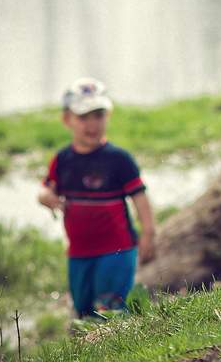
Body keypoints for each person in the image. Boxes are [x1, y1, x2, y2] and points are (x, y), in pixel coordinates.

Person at [38, 77, 157, 318]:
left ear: (108, 116)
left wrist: (148, 234)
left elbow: (140, 199)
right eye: (83, 117)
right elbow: (45, 190)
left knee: (109, 310)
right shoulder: (62, 160)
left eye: (98, 115)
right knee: (83, 310)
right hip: (79, 252)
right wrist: (46, 198)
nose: (92, 124)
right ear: (67, 120)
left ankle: (118, 349)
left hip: (117, 251)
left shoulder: (119, 159)